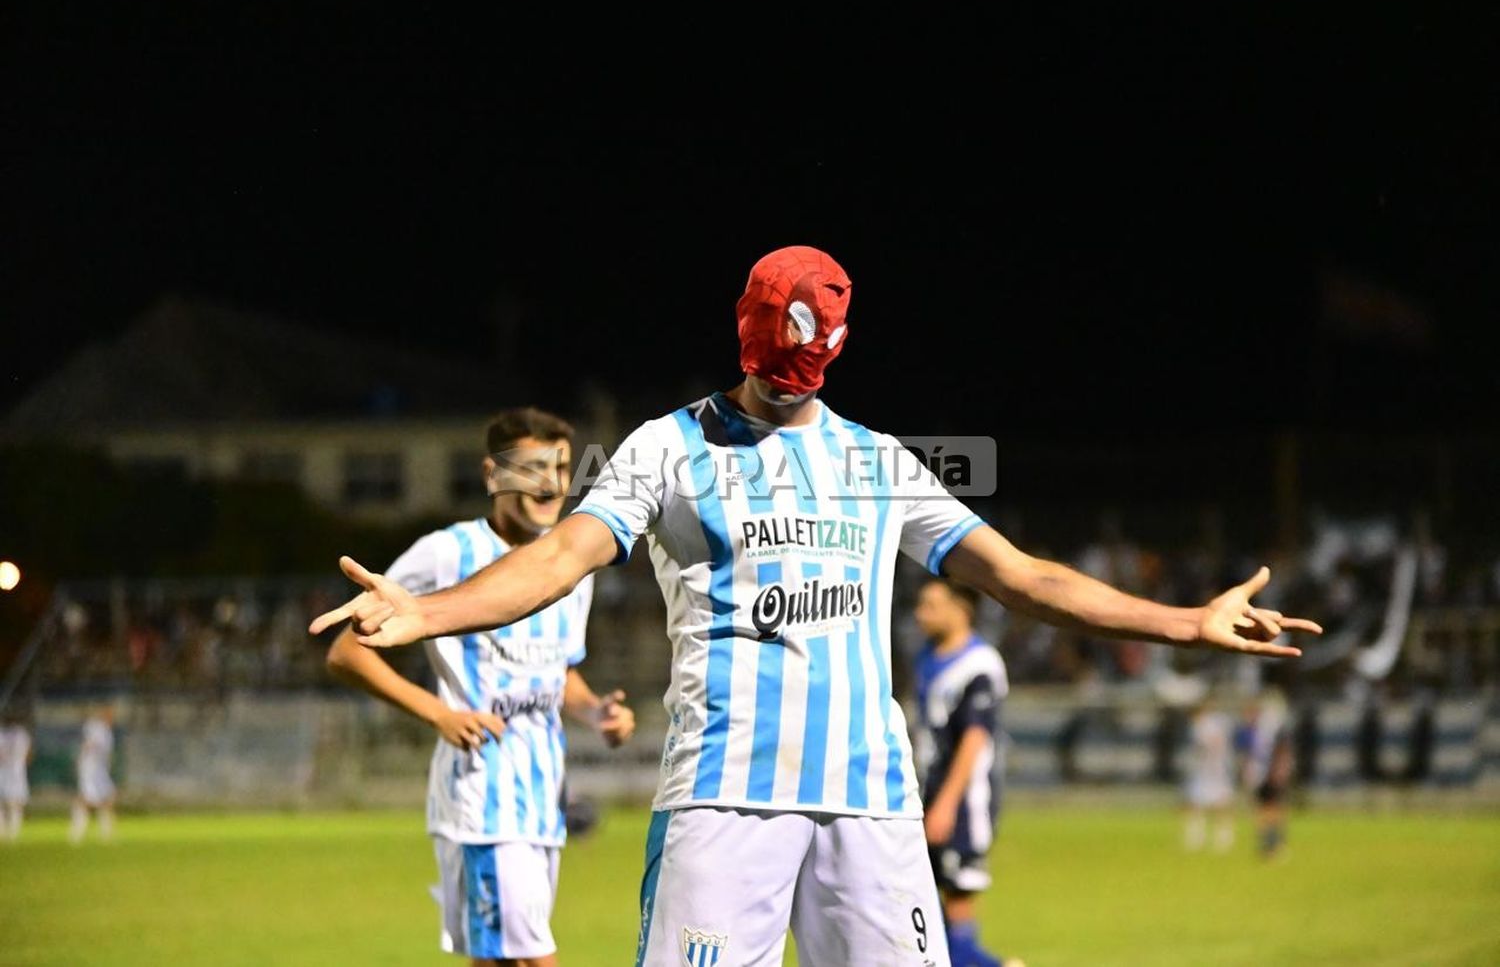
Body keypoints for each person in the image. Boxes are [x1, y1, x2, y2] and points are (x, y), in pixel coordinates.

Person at [311, 245, 1322, 966]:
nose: (790, 384)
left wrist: (1187, 621)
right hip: (722, 795)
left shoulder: (880, 462)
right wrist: (431, 611)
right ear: (747, 339)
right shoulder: (666, 449)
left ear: (834, 351)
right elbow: (564, 554)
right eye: (776, 364)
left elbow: (1020, 574)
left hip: (870, 802)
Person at [324, 407, 637, 967]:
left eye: (561, 467)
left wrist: (596, 712)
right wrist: (438, 714)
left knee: (495, 959)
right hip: (482, 794)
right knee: (530, 958)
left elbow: (556, 670)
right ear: (493, 475)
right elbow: (347, 652)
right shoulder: (448, 553)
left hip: (544, 799)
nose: (550, 483)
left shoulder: (571, 566)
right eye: (531, 467)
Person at [912, 577, 1022, 967]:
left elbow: (975, 738)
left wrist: (946, 803)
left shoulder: (980, 664)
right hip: (926, 796)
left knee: (955, 910)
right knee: (918, 909)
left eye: (931, 605)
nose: (920, 614)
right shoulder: (927, 655)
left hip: (964, 804)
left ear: (962, 609)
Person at [1239, 692, 1293, 861]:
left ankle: (1273, 842)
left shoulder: (1270, 728)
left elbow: (1281, 750)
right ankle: (1271, 842)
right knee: (1267, 807)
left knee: (1271, 808)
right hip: (1263, 772)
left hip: (1269, 772)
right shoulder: (1261, 728)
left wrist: (1278, 770)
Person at [1181, 700, 1236, 853]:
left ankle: (1223, 839)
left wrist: (1213, 758)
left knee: (1220, 804)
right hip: (1202, 770)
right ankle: (1195, 838)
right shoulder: (1197, 726)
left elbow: (1216, 743)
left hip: (1214, 770)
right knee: (1195, 803)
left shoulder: (1209, 724)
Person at [71, 703, 116, 844]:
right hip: (91, 769)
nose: (112, 718)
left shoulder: (107, 732)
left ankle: (106, 834)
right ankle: (76, 833)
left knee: (108, 798)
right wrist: (80, 761)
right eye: (110, 715)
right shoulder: (98, 729)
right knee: (86, 800)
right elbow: (89, 744)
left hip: (100, 770)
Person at [0, 711, 33, 841]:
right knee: (16, 803)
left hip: (3, 771)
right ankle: (13, 833)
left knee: (3, 803)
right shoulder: (22, 734)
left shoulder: (2, 734)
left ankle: (3, 832)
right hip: (17, 772)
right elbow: (28, 755)